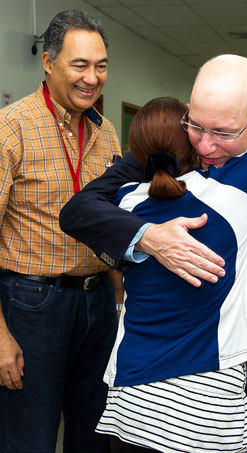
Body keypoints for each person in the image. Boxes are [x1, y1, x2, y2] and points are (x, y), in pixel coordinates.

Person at [60, 55, 247, 453]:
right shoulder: (167, 151)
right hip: (187, 399)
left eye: (222, 133)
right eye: (196, 126)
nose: (204, 145)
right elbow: (80, 210)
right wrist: (147, 235)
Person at [93, 95, 247, 453]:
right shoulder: (230, 194)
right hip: (205, 403)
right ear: (193, 144)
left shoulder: (124, 202)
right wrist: (216, 124)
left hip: (132, 399)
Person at [0, 9, 124, 453]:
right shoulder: (10, 127)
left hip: (97, 304)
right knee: (29, 438)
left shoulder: (106, 133)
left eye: (101, 65)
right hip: (32, 305)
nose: (92, 78)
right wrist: (0, 337)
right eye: (80, 65)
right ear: (48, 62)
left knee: (95, 435)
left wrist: (120, 287)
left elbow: (110, 217)